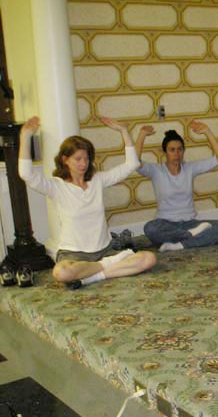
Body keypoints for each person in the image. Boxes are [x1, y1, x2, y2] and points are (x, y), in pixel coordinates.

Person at [18, 116, 157, 289]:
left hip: (105, 250)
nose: (83, 164)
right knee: (61, 272)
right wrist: (25, 136)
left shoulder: (97, 180)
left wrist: (124, 131)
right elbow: (27, 175)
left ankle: (90, 278)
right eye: (78, 159)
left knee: (148, 258)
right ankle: (109, 265)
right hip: (74, 255)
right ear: (65, 159)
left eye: (86, 158)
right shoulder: (56, 186)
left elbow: (132, 164)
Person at [134, 122, 218, 252]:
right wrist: (142, 135)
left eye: (180, 149)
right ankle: (191, 237)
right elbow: (135, 163)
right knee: (150, 228)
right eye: (172, 150)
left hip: (190, 223)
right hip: (165, 224)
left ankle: (178, 244)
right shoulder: (156, 170)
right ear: (165, 152)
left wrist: (207, 131)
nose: (177, 153)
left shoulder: (190, 168)